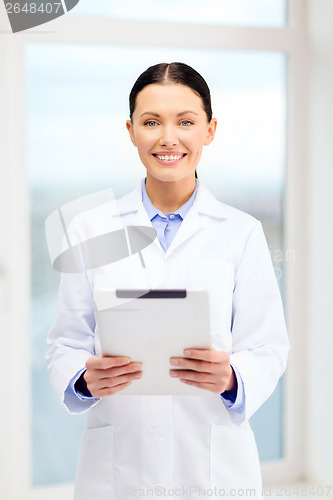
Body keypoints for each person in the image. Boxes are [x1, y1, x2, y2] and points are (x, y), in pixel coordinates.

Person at [46, 62, 289, 500]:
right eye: (151, 122)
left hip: (214, 469)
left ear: (209, 130)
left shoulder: (242, 232)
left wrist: (233, 377)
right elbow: (65, 343)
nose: (168, 138)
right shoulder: (91, 229)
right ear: (131, 130)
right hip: (118, 470)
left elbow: (268, 347)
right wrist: (83, 379)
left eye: (186, 122)